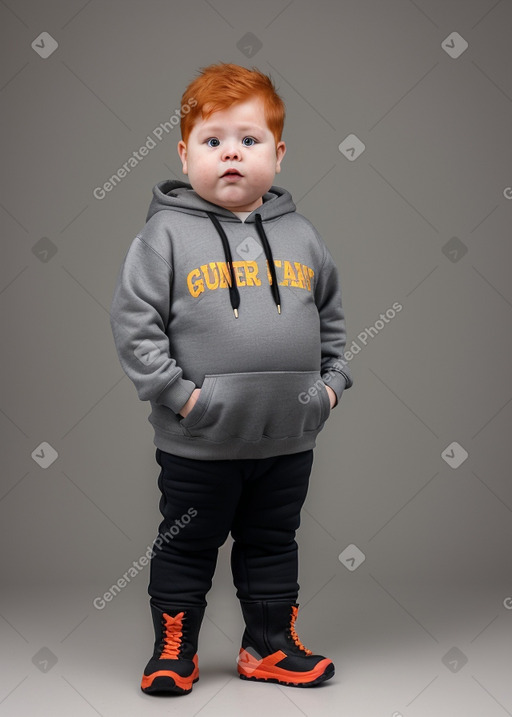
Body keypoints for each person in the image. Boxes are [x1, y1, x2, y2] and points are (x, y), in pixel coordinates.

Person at [110, 62, 353, 696]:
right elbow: (135, 327)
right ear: (185, 153)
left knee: (274, 543)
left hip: (286, 440)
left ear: (278, 153)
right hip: (201, 440)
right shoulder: (163, 235)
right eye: (213, 141)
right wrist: (181, 397)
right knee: (188, 546)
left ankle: (269, 646)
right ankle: (174, 652)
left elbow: (332, 316)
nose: (231, 155)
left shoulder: (301, 235)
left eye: (248, 140)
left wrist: (331, 386)